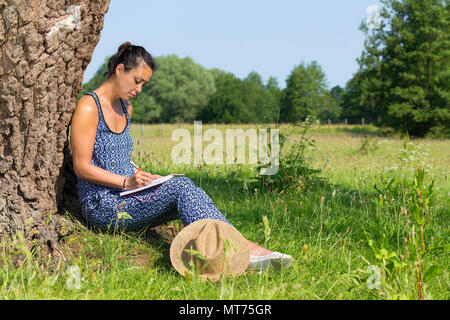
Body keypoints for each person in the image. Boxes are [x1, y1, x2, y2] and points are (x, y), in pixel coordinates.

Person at [70, 42, 292, 270]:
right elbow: (82, 166)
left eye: (144, 84)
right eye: (137, 81)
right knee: (181, 187)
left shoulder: (126, 108)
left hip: (128, 195)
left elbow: (117, 158)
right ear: (119, 70)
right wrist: (126, 181)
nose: (139, 90)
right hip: (103, 206)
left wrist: (141, 176)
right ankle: (240, 249)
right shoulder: (89, 107)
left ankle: (224, 251)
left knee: (189, 191)